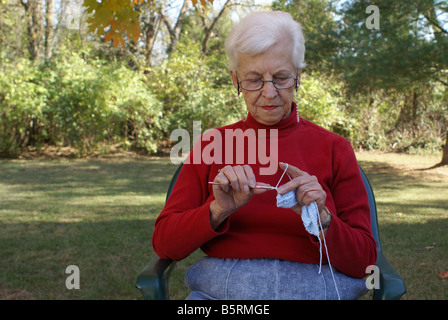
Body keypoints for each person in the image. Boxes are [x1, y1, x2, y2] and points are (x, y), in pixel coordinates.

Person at [152, 10, 377, 300]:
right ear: (236, 79)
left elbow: (365, 262)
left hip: (317, 286)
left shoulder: (335, 148)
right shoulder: (211, 145)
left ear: (298, 75)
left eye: (281, 77)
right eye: (254, 79)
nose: (269, 93)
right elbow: (165, 244)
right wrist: (218, 210)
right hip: (223, 292)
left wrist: (322, 219)